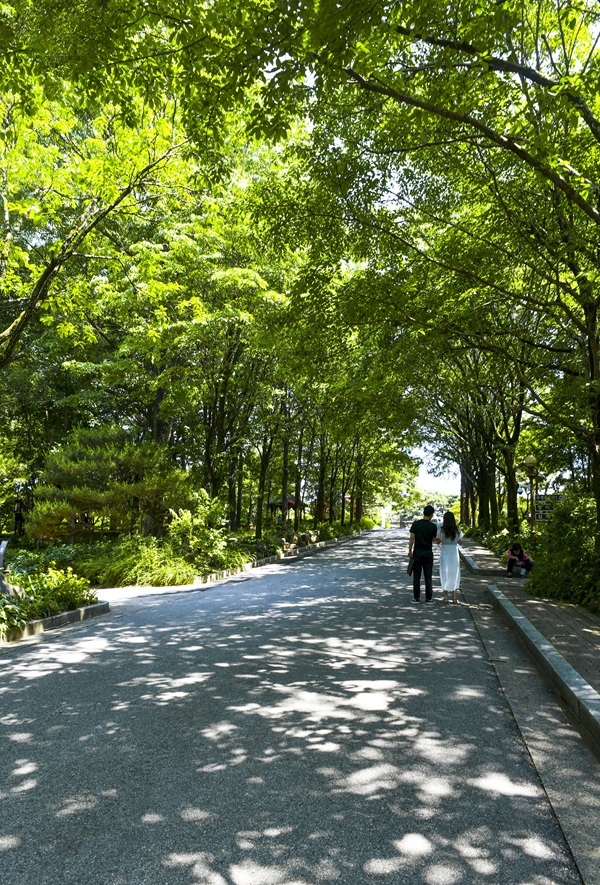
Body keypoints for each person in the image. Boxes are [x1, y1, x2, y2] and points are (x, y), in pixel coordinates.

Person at [408, 504, 438, 604]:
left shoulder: (416, 524)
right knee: (428, 576)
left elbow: (412, 538)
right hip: (428, 552)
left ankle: (416, 598)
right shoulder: (433, 526)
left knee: (416, 576)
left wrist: (409, 551)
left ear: (423, 513)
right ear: (431, 515)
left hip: (417, 552)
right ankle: (428, 598)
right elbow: (434, 539)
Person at [437, 511, 463, 604]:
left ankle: (445, 597)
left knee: (444, 573)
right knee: (455, 573)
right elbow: (460, 542)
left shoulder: (441, 530)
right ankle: (455, 598)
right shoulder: (458, 530)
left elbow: (438, 542)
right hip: (454, 552)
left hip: (445, 552)